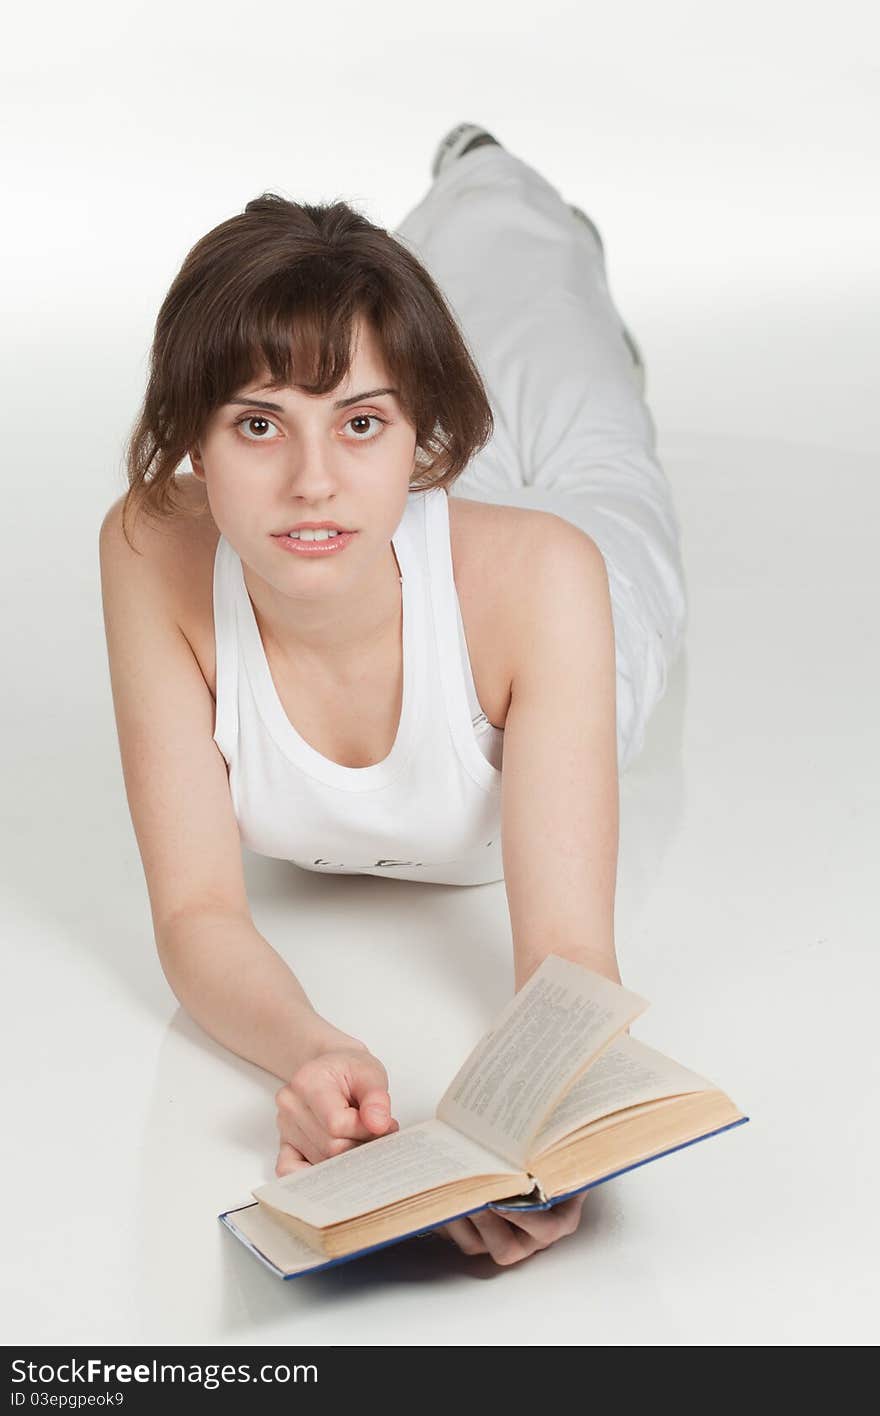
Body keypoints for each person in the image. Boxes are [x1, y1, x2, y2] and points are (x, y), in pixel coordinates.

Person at [98, 122, 687, 1268]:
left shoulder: (550, 576)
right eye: (258, 423)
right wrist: (312, 1054)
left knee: (565, 347)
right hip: (423, 525)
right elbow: (198, 916)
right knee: (354, 320)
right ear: (192, 446)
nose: (310, 479)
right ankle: (409, 272)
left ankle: (488, 173)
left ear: (422, 440)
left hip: (571, 571)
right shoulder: (147, 550)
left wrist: (542, 1141)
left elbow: (567, 946)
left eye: (361, 420)